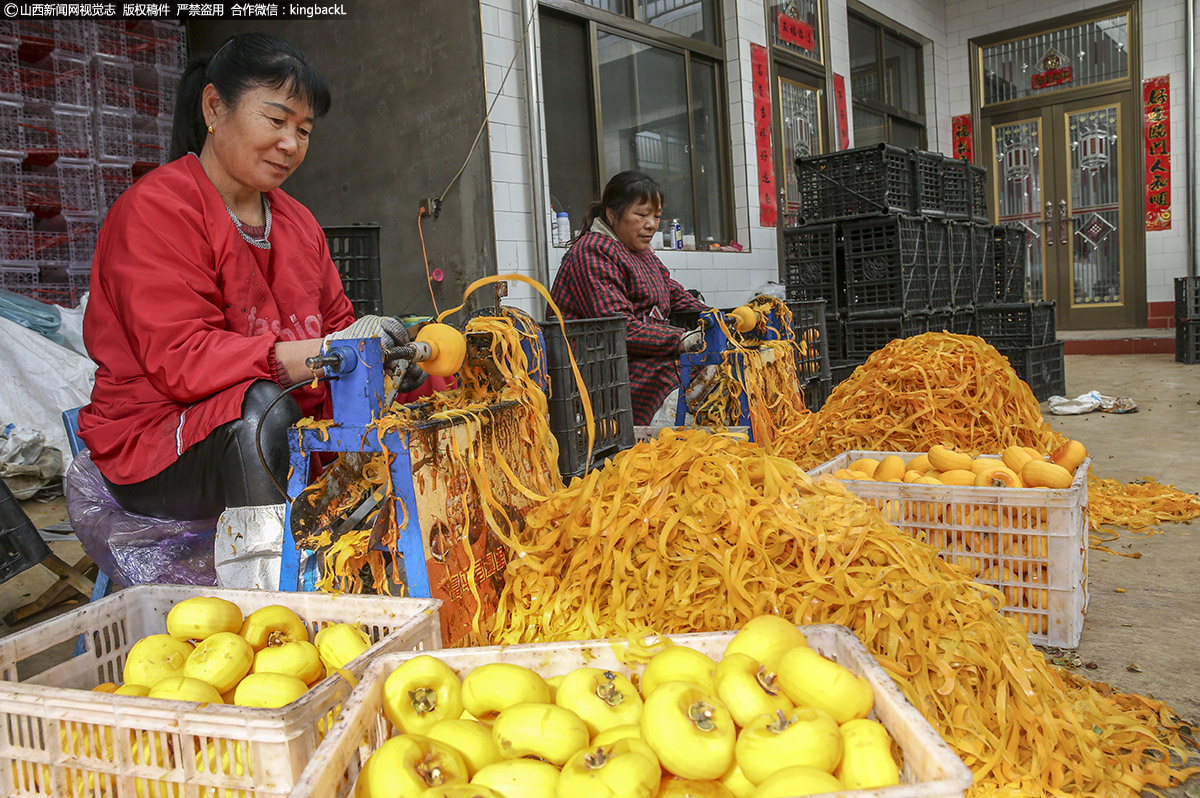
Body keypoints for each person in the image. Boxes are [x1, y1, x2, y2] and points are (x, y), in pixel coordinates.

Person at [76, 33, 421, 589]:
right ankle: (269, 611)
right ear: (215, 107)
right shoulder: (155, 210)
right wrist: (324, 354)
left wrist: (382, 354)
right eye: (276, 120)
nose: (291, 143)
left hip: (289, 420)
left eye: (304, 131)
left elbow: (336, 323)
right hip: (159, 441)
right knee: (260, 416)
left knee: (415, 394)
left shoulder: (299, 222)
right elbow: (181, 360)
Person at [550, 172, 708, 426]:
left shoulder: (640, 252)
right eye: (642, 214)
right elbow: (618, 328)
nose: (652, 224)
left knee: (709, 365)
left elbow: (673, 293)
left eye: (656, 216)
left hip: (639, 358)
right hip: (601, 373)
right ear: (613, 214)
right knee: (686, 372)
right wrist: (681, 338)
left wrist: (715, 318)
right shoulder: (592, 252)